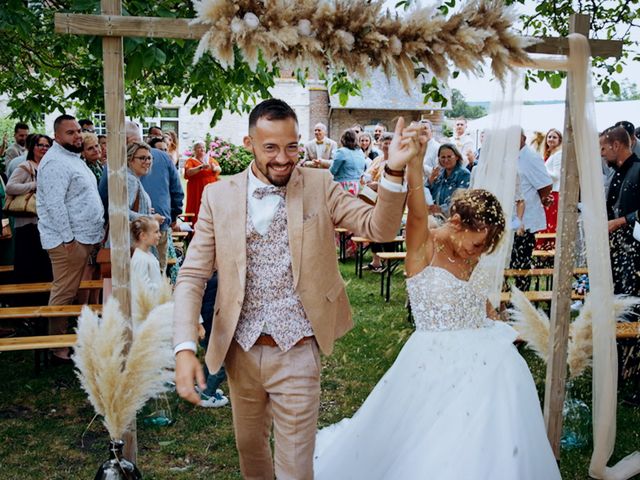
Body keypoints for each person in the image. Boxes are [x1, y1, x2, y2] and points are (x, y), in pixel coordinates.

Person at [172, 98, 413, 479]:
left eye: (292, 146)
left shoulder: (319, 185)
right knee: (250, 454)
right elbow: (191, 276)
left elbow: (379, 229)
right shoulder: (219, 197)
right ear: (250, 143)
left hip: (299, 348)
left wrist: (395, 170)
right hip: (240, 350)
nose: (284, 158)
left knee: (296, 468)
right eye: (271, 147)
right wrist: (185, 347)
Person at [314, 172, 561, 478]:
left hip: (485, 353)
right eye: (478, 243)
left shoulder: (470, 254)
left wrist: (496, 321)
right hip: (433, 356)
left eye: (486, 246)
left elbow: (479, 301)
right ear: (457, 223)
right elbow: (417, 211)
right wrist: (415, 163)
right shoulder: (424, 246)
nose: (480, 251)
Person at [37, 114, 105, 362]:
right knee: (64, 292)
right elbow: (55, 206)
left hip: (83, 237)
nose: (77, 135)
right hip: (69, 241)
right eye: (70, 132)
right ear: (56, 136)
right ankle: (56, 347)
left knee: (74, 291)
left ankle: (71, 337)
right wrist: (68, 241)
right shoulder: (56, 162)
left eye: (78, 131)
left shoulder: (72, 158)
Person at [5, 134, 53, 285]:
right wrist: (33, 185)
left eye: (47, 145)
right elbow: (10, 187)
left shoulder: (48, 166)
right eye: (41, 145)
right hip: (27, 223)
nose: (44, 148)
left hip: (44, 224)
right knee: (28, 265)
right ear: (33, 147)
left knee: (43, 266)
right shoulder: (26, 166)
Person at [509, 130, 552, 290]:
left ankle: (522, 299)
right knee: (510, 263)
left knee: (521, 265)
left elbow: (546, 184)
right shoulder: (511, 155)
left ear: (524, 138)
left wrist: (544, 199)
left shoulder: (530, 157)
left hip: (525, 220)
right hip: (510, 218)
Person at [426, 143, 471, 217]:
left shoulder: (464, 174)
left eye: (449, 157)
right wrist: (430, 180)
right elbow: (426, 191)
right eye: (443, 157)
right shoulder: (439, 174)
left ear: (456, 157)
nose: (446, 160)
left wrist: (441, 209)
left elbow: (461, 201)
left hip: (454, 219)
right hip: (436, 217)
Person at [184, 141, 221, 224]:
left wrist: (215, 168)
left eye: (203, 147)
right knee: (197, 206)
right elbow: (188, 172)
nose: (202, 149)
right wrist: (200, 167)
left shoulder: (210, 160)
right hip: (197, 188)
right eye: (199, 147)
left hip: (211, 188)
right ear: (194, 150)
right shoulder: (190, 161)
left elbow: (219, 169)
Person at [538, 128, 563, 249]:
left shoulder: (559, 154)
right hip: (546, 194)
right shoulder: (548, 155)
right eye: (549, 137)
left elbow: (557, 175)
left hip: (554, 193)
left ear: (559, 140)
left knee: (551, 223)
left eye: (554, 137)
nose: (551, 139)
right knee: (545, 222)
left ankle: (549, 250)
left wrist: (541, 169)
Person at [329, 129, 367, 196]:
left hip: (343, 186)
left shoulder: (341, 152)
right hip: (357, 186)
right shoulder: (360, 152)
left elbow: (333, 171)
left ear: (343, 139)